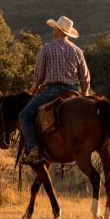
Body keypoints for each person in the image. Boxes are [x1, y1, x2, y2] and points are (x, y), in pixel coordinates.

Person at [19, 16, 91, 165]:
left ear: (58, 30)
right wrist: (85, 96)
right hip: (73, 92)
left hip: (52, 91)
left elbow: (38, 76)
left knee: (24, 116)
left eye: (54, 29)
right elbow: (85, 78)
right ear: (68, 33)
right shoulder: (78, 51)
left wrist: (33, 89)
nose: (53, 31)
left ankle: (34, 150)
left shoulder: (47, 48)